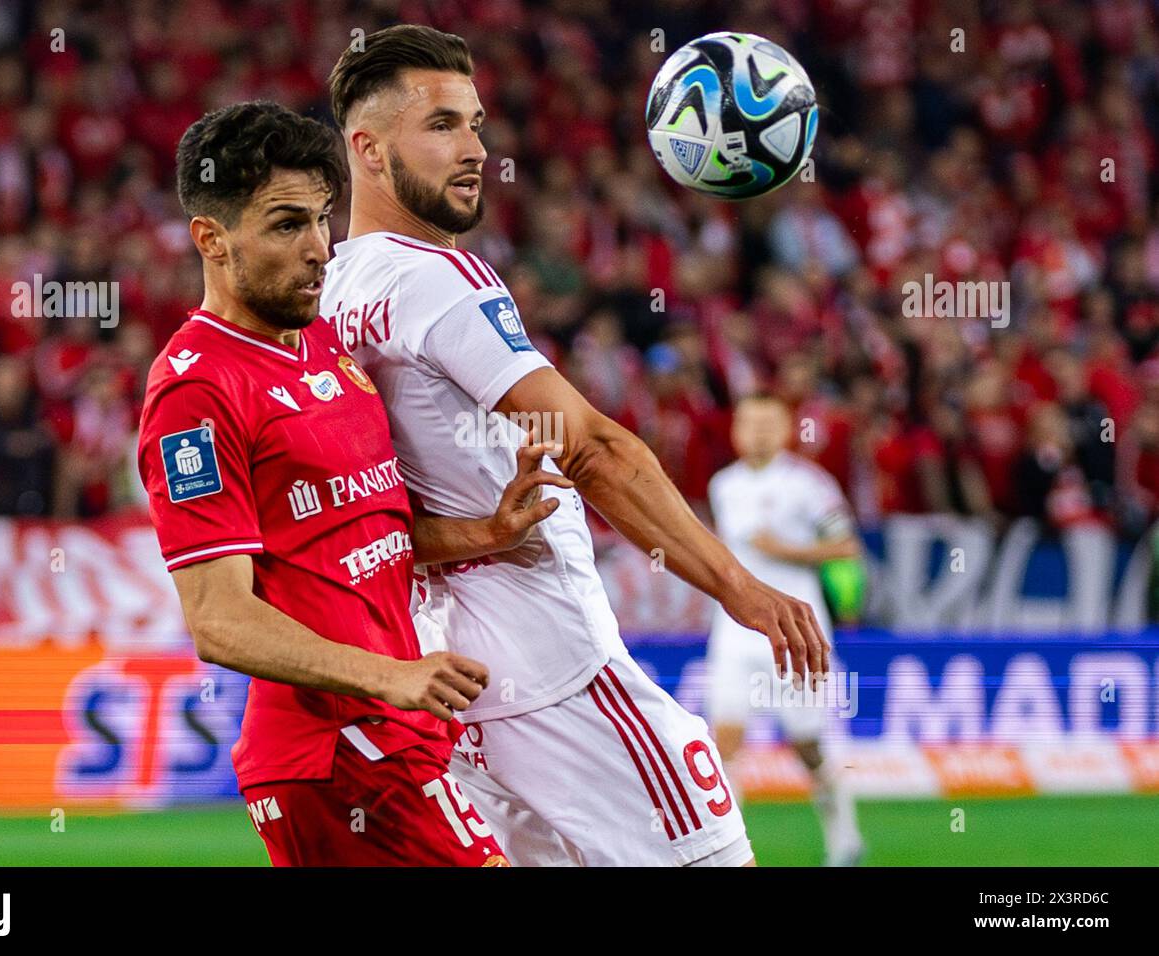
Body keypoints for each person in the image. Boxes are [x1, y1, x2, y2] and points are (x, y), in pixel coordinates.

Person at [322, 25, 829, 866]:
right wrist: (738, 587)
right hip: (556, 666)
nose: (475, 149)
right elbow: (591, 449)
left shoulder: (333, 291)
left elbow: (364, 515)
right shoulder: (436, 279)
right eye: (442, 126)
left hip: (456, 685)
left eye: (477, 124)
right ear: (368, 150)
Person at [138, 101, 563, 866]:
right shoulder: (194, 392)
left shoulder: (324, 345)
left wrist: (485, 534)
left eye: (324, 219)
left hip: (394, 733)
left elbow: (355, 537)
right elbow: (218, 619)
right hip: (333, 752)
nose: (321, 250)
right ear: (211, 239)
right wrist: (391, 676)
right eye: (287, 225)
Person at [705, 393, 865, 866]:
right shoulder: (723, 485)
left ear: (785, 430)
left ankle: (844, 837)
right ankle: (724, 853)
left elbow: (847, 547)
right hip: (735, 631)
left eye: (767, 424)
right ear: (735, 429)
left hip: (797, 631)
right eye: (748, 423)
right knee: (724, 742)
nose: (756, 433)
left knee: (806, 744)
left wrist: (784, 550)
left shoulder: (811, 484)